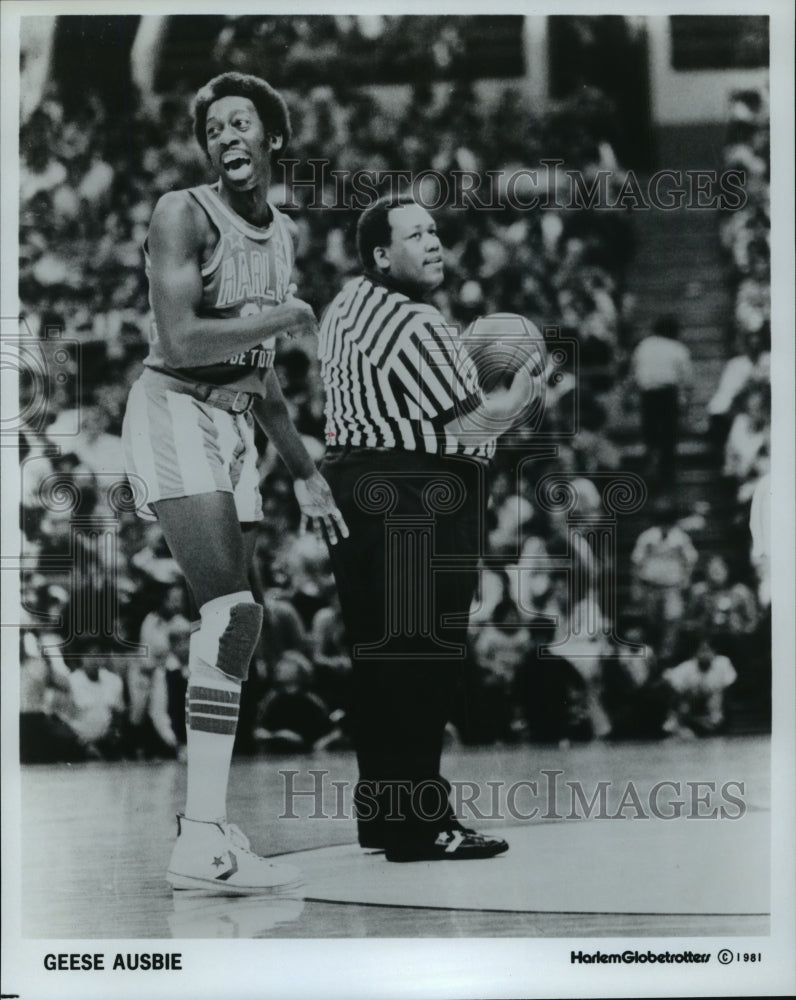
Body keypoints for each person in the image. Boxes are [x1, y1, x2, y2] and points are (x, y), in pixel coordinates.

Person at [121, 72, 347, 893]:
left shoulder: (281, 233)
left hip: (239, 429)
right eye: (213, 128)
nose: (226, 137)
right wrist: (288, 316)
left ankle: (205, 825)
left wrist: (307, 475)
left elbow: (266, 376)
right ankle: (200, 837)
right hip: (173, 407)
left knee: (234, 631)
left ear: (274, 139)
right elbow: (180, 339)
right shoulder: (182, 212)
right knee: (232, 610)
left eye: (241, 123)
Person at [318, 193, 538, 861]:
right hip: (415, 497)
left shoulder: (345, 308)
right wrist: (523, 392)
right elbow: (470, 427)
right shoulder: (418, 323)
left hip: (356, 492)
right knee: (421, 659)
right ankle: (421, 824)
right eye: (416, 235)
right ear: (383, 255)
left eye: (435, 231)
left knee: (379, 661)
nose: (434, 242)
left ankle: (383, 815)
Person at [627, 314, 693, 486]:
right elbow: (687, 379)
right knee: (668, 433)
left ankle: (653, 461)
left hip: (648, 393)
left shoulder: (643, 346)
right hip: (666, 393)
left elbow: (633, 373)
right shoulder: (677, 348)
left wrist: (628, 394)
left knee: (651, 430)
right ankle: (664, 469)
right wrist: (686, 401)